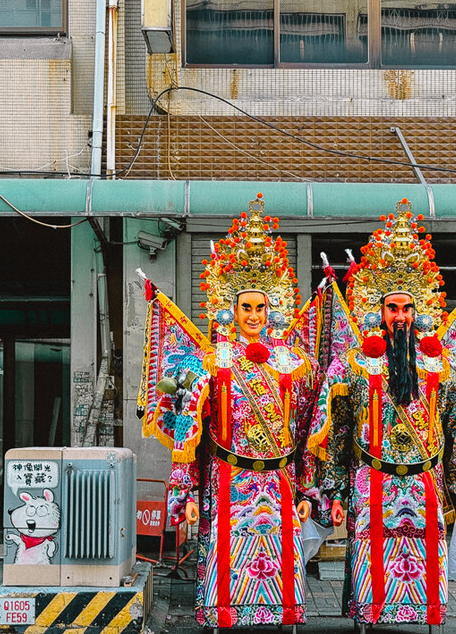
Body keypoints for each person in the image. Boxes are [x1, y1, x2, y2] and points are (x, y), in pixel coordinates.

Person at [308, 200, 456, 631]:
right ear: (378, 310)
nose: (400, 317)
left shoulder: (445, 366)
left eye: (407, 309)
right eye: (392, 308)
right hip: (371, 481)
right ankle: (367, 617)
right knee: (371, 556)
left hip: (425, 483)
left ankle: (427, 616)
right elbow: (336, 435)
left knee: (425, 557)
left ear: (419, 311)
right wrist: (335, 493)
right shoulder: (353, 366)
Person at [138, 194, 319, 630]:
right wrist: (186, 493)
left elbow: (307, 427)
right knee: (229, 560)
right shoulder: (209, 361)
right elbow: (187, 432)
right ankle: (224, 616)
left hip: (278, 479)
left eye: (260, 307)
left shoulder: (294, 363)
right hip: (227, 480)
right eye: (246, 307)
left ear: (271, 308)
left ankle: (283, 616)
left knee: (279, 558)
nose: (254, 315)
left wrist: (309, 489)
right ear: (231, 309)